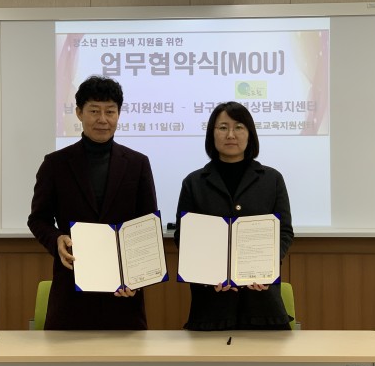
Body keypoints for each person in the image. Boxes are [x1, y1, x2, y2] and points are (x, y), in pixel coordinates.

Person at [28, 75, 158, 330]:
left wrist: (138, 278)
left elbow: (148, 224)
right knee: (66, 356)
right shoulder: (55, 164)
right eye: (94, 111)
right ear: (79, 113)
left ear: (118, 114)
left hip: (124, 294)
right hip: (71, 291)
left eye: (110, 111)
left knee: (126, 357)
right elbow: (38, 219)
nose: (103, 119)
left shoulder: (137, 163)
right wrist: (56, 239)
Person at [174, 101, 294, 331]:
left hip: (263, 305)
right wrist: (208, 273)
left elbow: (284, 232)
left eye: (239, 127)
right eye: (223, 127)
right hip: (211, 306)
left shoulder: (271, 180)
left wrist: (266, 267)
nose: (231, 134)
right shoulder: (194, 183)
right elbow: (184, 237)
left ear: (250, 134)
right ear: (212, 134)